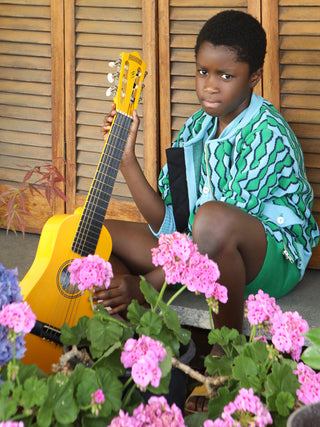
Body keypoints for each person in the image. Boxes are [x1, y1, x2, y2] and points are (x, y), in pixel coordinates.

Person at [93, 10, 319, 335]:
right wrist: (126, 159)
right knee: (95, 234)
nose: (210, 86)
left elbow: (215, 234)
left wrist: (144, 285)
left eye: (225, 76)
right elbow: (170, 223)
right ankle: (135, 337)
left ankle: (223, 350)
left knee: (212, 220)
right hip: (198, 249)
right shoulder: (197, 127)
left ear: (254, 76)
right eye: (202, 71)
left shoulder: (267, 134)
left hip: (267, 259)